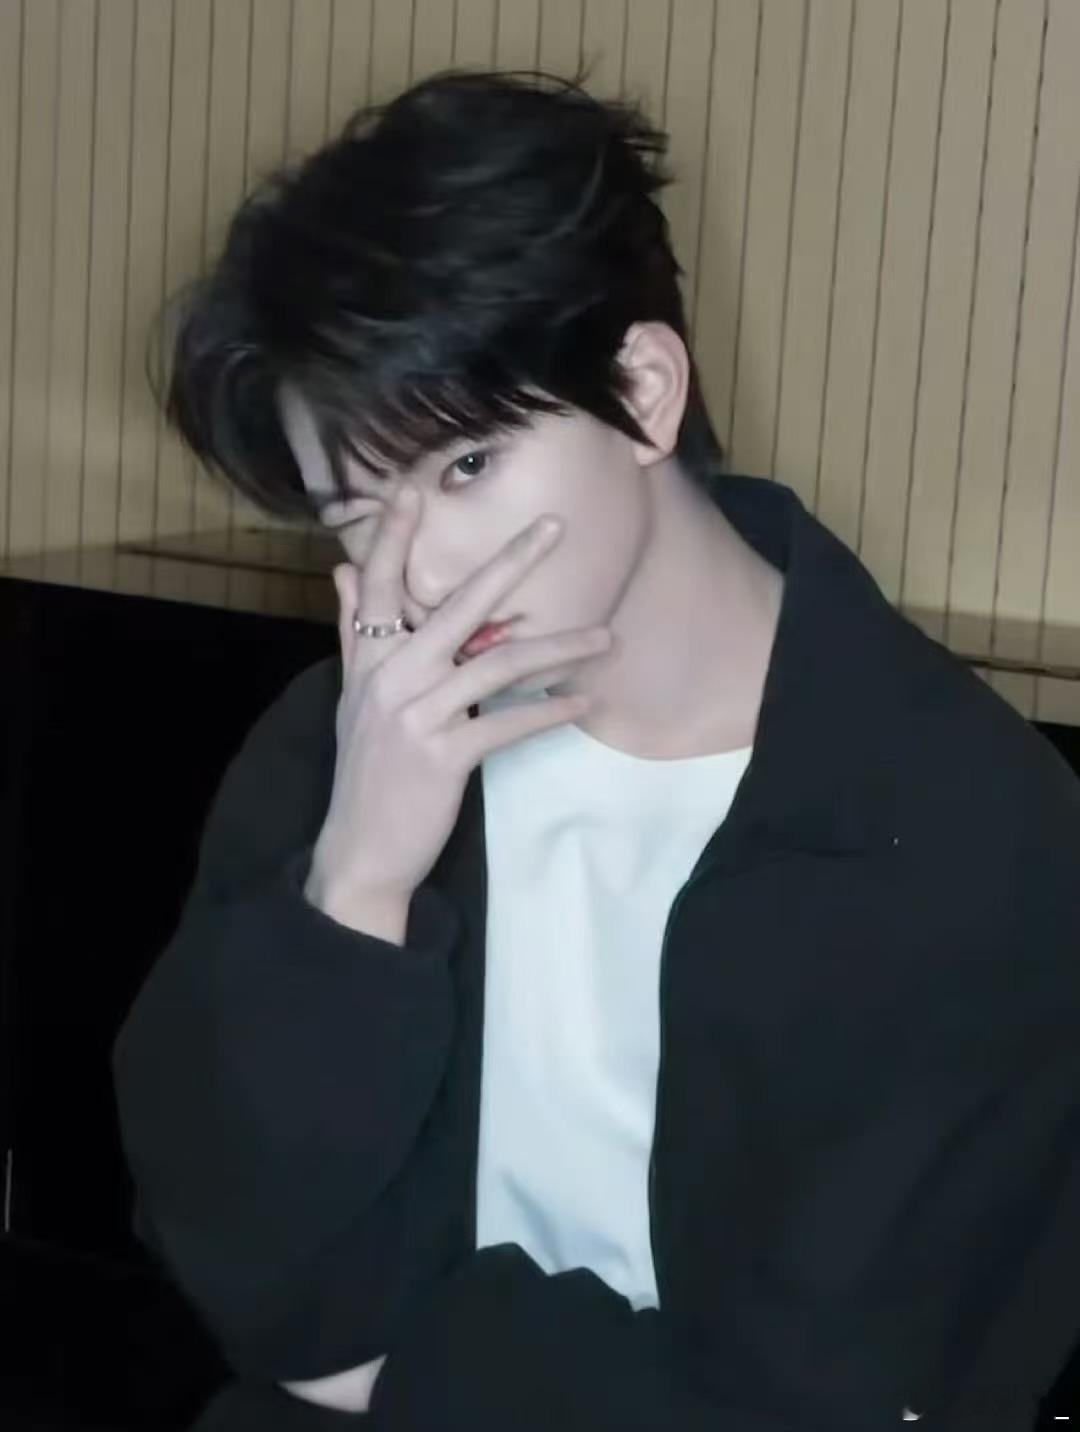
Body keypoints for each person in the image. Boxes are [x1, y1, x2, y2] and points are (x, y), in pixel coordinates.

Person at [113, 67, 1080, 1432]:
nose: (420, 574)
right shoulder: (350, 749)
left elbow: (837, 1396)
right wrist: (358, 885)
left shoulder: (967, 827)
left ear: (643, 390)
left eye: (463, 468)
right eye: (356, 515)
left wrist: (402, 1371)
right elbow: (244, 1272)